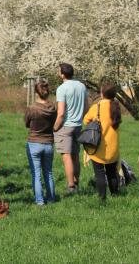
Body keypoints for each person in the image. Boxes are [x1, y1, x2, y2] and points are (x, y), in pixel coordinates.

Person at [83, 82, 122, 200]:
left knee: (99, 173)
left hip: (99, 146)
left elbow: (86, 120)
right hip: (113, 146)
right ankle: (115, 195)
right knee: (112, 172)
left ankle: (102, 198)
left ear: (102, 94)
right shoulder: (116, 107)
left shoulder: (97, 107)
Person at [53, 63, 88, 195]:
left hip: (65, 126)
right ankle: (77, 182)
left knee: (66, 157)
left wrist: (55, 128)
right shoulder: (82, 86)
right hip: (78, 125)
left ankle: (71, 186)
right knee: (75, 156)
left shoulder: (62, 89)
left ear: (62, 74)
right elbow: (86, 107)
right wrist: (80, 118)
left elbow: (61, 113)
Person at [24, 80, 57, 205]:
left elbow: (27, 124)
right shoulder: (53, 108)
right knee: (48, 172)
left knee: (36, 173)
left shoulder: (32, 108)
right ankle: (51, 199)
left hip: (34, 143)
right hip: (48, 143)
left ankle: (39, 201)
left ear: (36, 93)